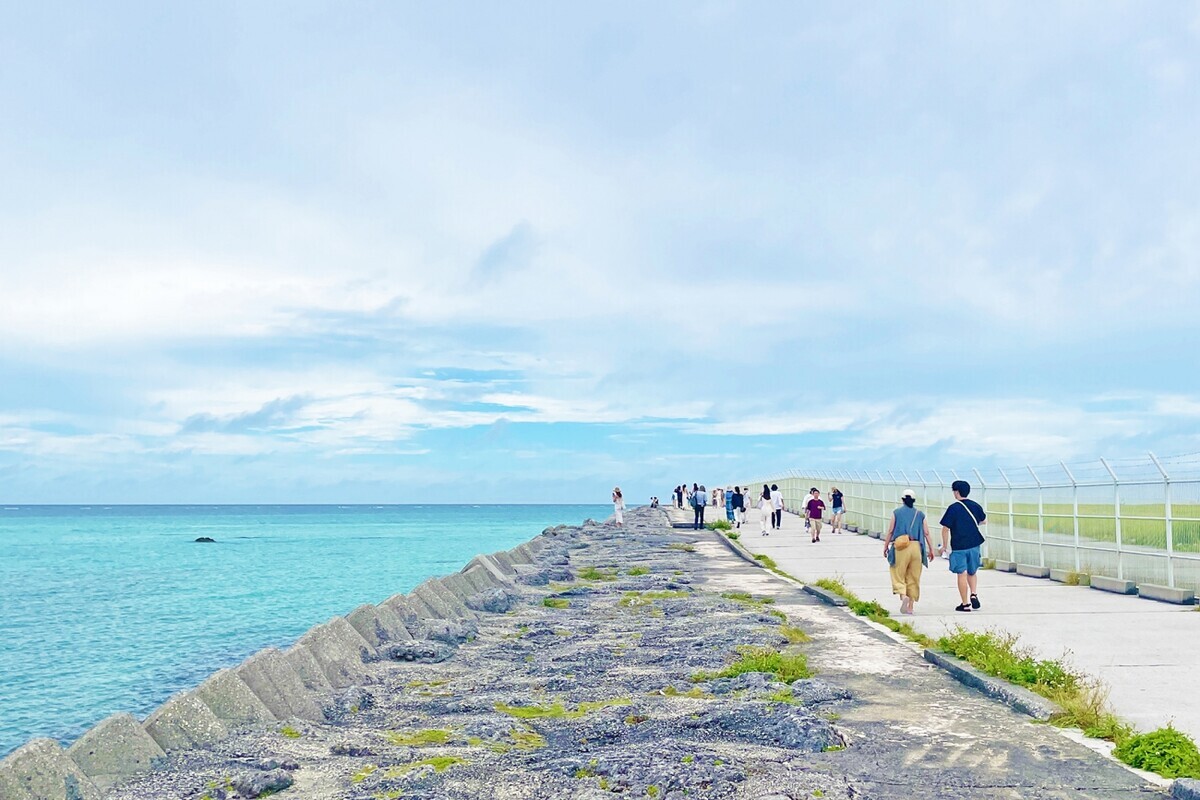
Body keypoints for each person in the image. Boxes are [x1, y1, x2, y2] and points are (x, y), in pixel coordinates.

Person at [883, 490, 935, 614]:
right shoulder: (920, 514)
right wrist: (931, 549)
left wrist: (885, 546)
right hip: (916, 547)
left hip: (901, 547)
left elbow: (890, 531)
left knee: (898, 573)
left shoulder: (896, 513)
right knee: (914, 577)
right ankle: (910, 607)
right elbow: (926, 533)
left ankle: (903, 595)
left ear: (902, 499)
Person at [939, 479, 988, 612]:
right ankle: (974, 593)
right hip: (974, 543)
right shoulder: (975, 505)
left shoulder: (953, 508)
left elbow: (945, 528)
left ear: (956, 492)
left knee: (962, 573)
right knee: (972, 572)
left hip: (959, 545)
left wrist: (944, 546)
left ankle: (965, 604)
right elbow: (984, 521)